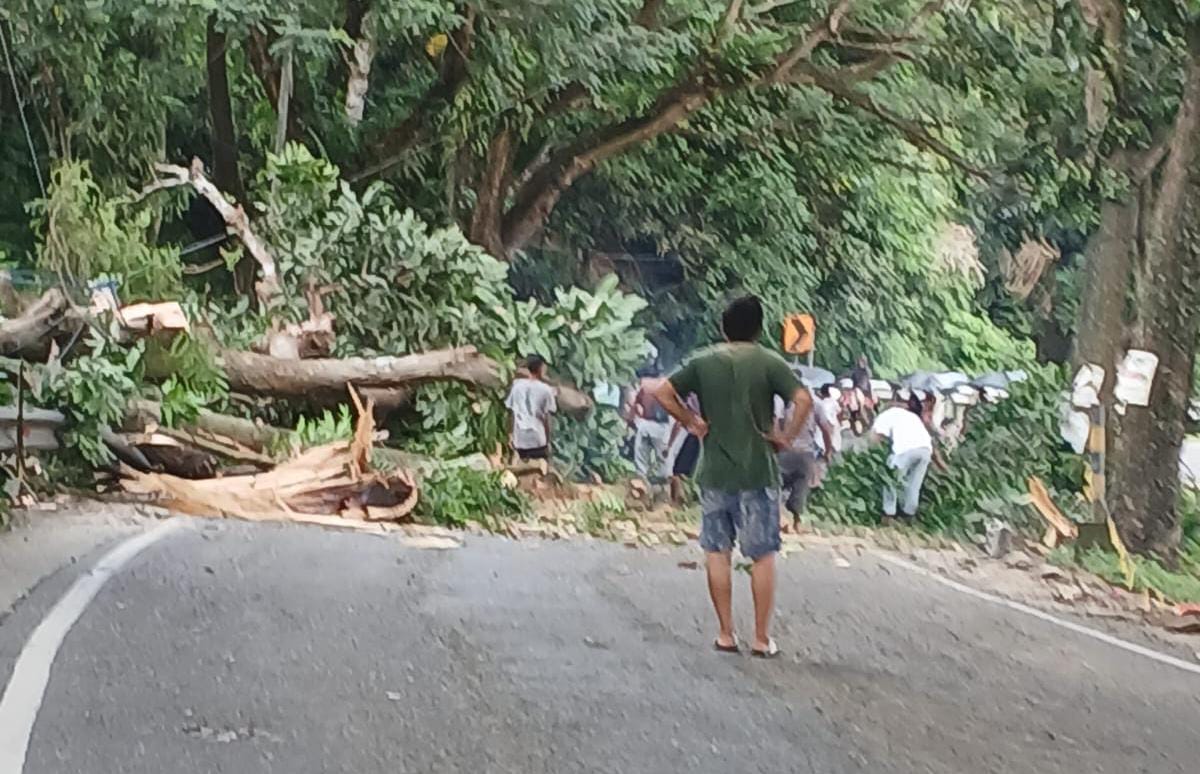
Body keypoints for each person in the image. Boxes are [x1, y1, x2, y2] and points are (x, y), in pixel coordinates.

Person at [654, 295, 811, 659]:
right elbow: (803, 400)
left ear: (723, 328)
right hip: (758, 471)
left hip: (715, 471)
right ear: (758, 328)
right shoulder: (770, 362)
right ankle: (760, 638)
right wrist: (785, 438)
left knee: (717, 551)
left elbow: (663, 392)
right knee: (762, 555)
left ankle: (726, 633)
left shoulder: (703, 361)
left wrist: (692, 422)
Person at [775, 387, 835, 529]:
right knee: (801, 487)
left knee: (775, 485)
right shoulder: (816, 404)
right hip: (805, 453)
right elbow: (826, 429)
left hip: (785, 450)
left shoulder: (784, 402)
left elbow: (776, 422)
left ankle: (779, 519)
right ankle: (797, 522)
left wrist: (776, 443)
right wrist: (828, 451)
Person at [870, 392, 934, 523]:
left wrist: (871, 451)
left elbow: (874, 436)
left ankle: (888, 513)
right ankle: (908, 515)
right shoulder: (913, 416)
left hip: (905, 450)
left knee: (891, 478)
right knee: (913, 484)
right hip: (925, 450)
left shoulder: (890, 412)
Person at [504, 354, 557, 461]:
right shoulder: (546, 390)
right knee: (539, 471)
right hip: (538, 438)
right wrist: (549, 441)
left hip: (519, 438)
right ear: (541, 370)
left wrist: (510, 434)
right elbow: (547, 418)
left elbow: (512, 413)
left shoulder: (516, 385)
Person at [631, 368, 671, 481]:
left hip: (649, 424)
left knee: (642, 452)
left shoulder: (644, 385)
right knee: (663, 458)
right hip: (662, 426)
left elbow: (635, 407)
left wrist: (631, 421)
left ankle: (642, 476)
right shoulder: (665, 384)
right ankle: (660, 482)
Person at [664, 393, 702, 504]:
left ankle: (676, 501)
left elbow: (678, 424)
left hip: (695, 436)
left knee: (677, 471)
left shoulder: (690, 400)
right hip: (707, 437)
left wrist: (669, 445)